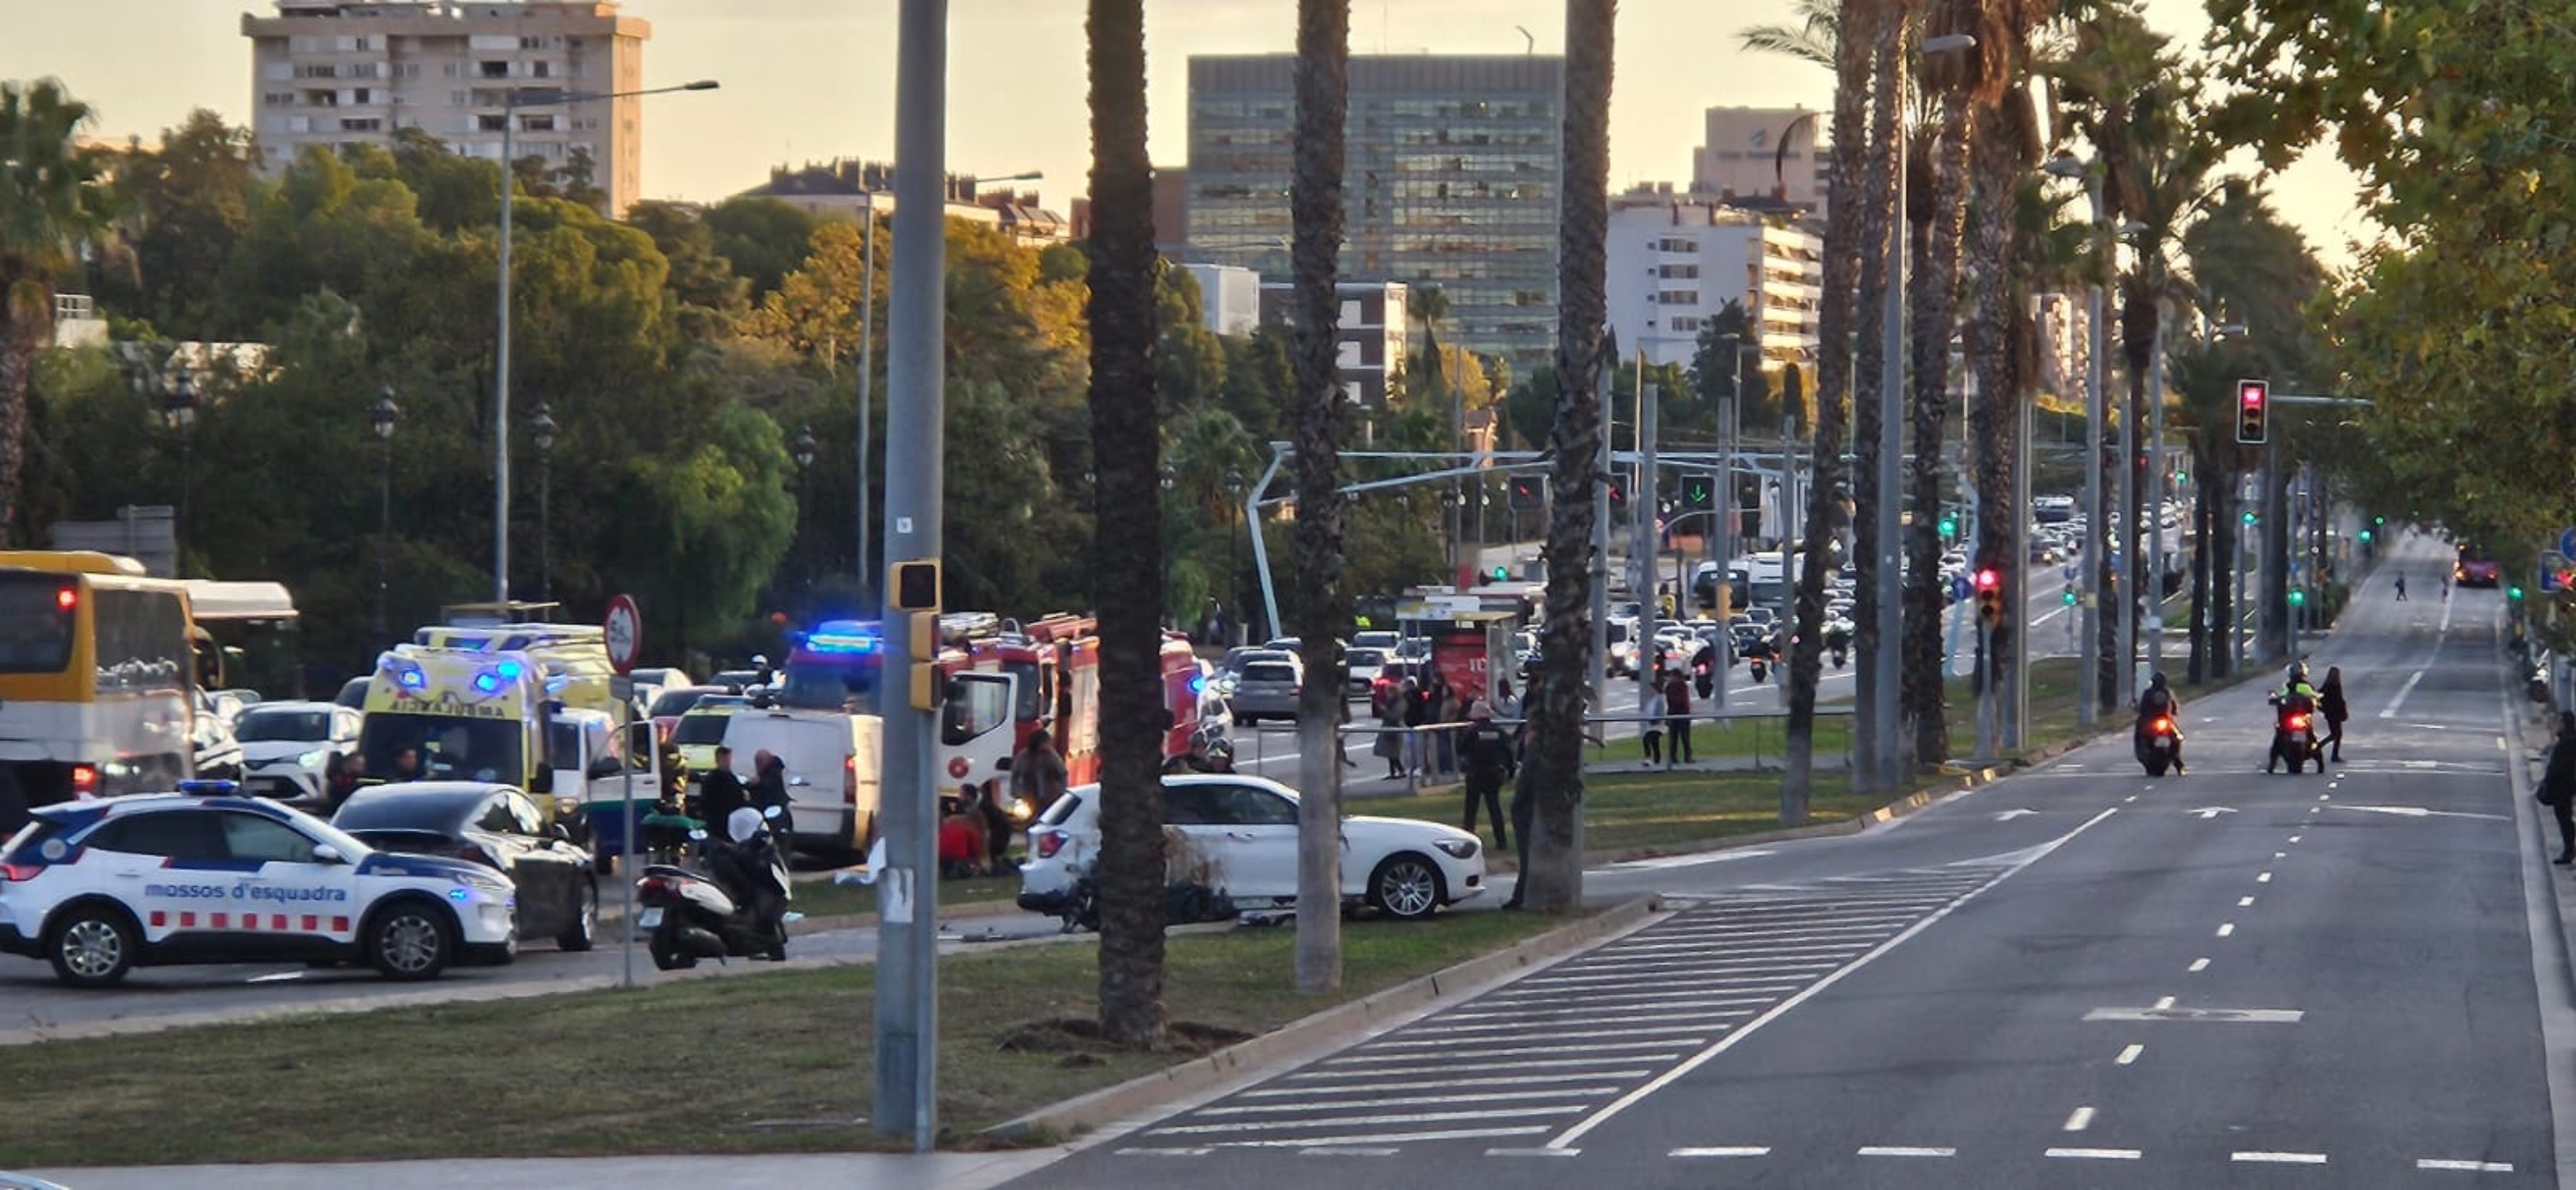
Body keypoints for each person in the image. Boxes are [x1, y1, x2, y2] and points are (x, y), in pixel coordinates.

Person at [1459, 701, 1516, 853]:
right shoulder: (1498, 731)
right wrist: (1511, 771)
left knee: (1471, 811)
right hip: (1494, 774)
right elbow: (1509, 752)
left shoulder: (1471, 731)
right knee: (1494, 809)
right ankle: (1501, 842)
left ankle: (1468, 841)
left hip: (1475, 774)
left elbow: (1461, 750)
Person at [2267, 666, 2319, 774]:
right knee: (2279, 737)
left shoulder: (2294, 686)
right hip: (2290, 719)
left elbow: (2314, 699)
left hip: (2299, 718)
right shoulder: (2302, 687)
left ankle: (2272, 764)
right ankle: (2272, 764)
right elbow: (2315, 697)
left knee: (2310, 736)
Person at [2540, 712, 2576, 865]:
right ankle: (2569, 849)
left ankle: (2569, 851)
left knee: (2564, 819)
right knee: (2564, 818)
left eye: (2559, 723)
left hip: (2564, 787)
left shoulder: (2568, 742)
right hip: (2563, 786)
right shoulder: (2565, 740)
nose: (2557, 725)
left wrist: (2549, 781)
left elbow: (2560, 767)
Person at [749, 748, 795, 867]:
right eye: (756, 762)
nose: (757, 765)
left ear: (767, 760)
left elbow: (769, 784)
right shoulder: (768, 771)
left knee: (780, 842)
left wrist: (758, 783)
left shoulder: (773, 770)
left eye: (760, 761)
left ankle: (783, 866)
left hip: (777, 815)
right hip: (766, 814)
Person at [1010, 727, 1070, 816]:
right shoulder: (1024, 756)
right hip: (1030, 796)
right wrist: (1016, 791)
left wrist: (1062, 792)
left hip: (1050, 796)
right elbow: (1015, 774)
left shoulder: (1051, 756)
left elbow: (1062, 774)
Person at [2135, 671, 2186, 774]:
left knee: (2176, 738)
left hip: (2152, 722)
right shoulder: (2166, 692)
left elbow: (2141, 708)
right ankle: (2178, 764)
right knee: (2176, 738)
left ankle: (2178, 764)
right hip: (2157, 722)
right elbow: (2174, 707)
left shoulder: (2150, 692)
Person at [696, 745, 749, 837]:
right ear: (717, 760)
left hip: (732, 820)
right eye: (724, 760)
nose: (727, 763)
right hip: (717, 821)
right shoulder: (712, 780)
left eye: (728, 760)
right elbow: (706, 801)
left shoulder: (732, 778)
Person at [1663, 666, 1695, 764]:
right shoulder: (1682, 685)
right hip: (1683, 713)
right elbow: (1684, 701)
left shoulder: (1670, 686)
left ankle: (1673, 757)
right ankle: (1687, 757)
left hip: (1673, 713)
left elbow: (1670, 700)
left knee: (1674, 738)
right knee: (1685, 737)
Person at [2319, 666, 2350, 762]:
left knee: (2335, 734)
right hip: (2335, 713)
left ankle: (2321, 747)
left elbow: (2319, 695)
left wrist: (2322, 708)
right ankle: (2328, 752)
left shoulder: (2326, 685)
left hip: (2329, 713)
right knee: (2336, 734)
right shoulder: (2335, 686)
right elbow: (2339, 701)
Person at [1374, 693, 1409, 779]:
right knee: (1389, 752)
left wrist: (1385, 711)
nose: (1388, 694)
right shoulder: (1391, 702)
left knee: (1392, 752)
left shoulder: (1400, 703)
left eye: (1389, 692)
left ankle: (1400, 770)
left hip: (1394, 729)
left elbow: (1395, 717)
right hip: (1388, 728)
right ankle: (1393, 771)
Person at [1640, 675, 1666, 765]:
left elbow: (1661, 712)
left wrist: (1655, 721)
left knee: (1650, 739)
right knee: (1650, 740)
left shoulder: (1660, 699)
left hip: (1658, 725)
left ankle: (1653, 759)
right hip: (1651, 725)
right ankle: (1654, 759)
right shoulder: (1651, 700)